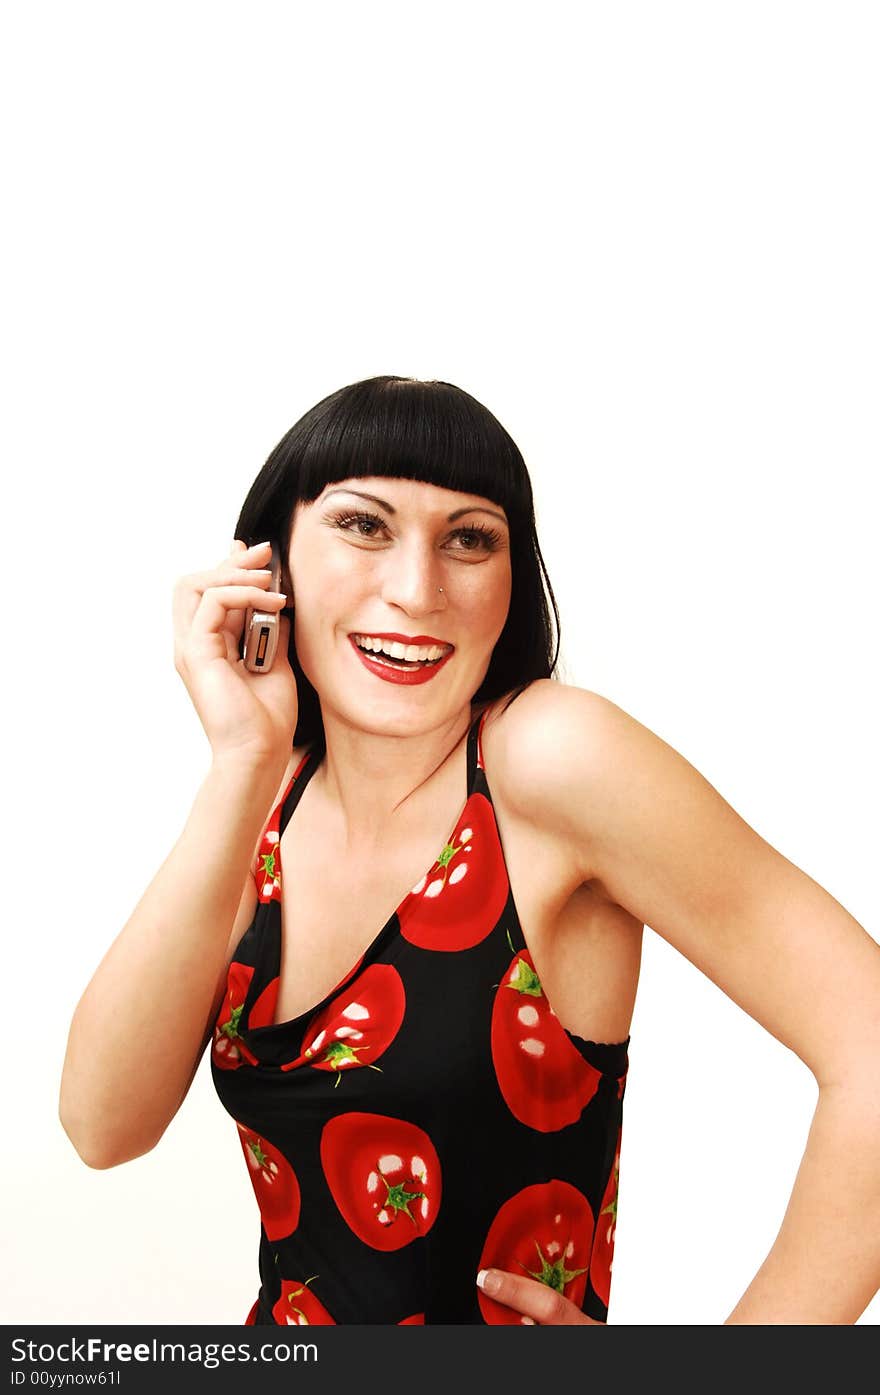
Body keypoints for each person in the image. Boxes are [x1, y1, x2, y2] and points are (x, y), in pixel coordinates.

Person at [59, 374, 880, 1326]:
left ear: (511, 577)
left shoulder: (547, 760)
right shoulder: (268, 798)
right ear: (271, 561)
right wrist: (241, 758)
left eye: (469, 538)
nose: (416, 590)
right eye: (364, 525)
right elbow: (101, 1123)